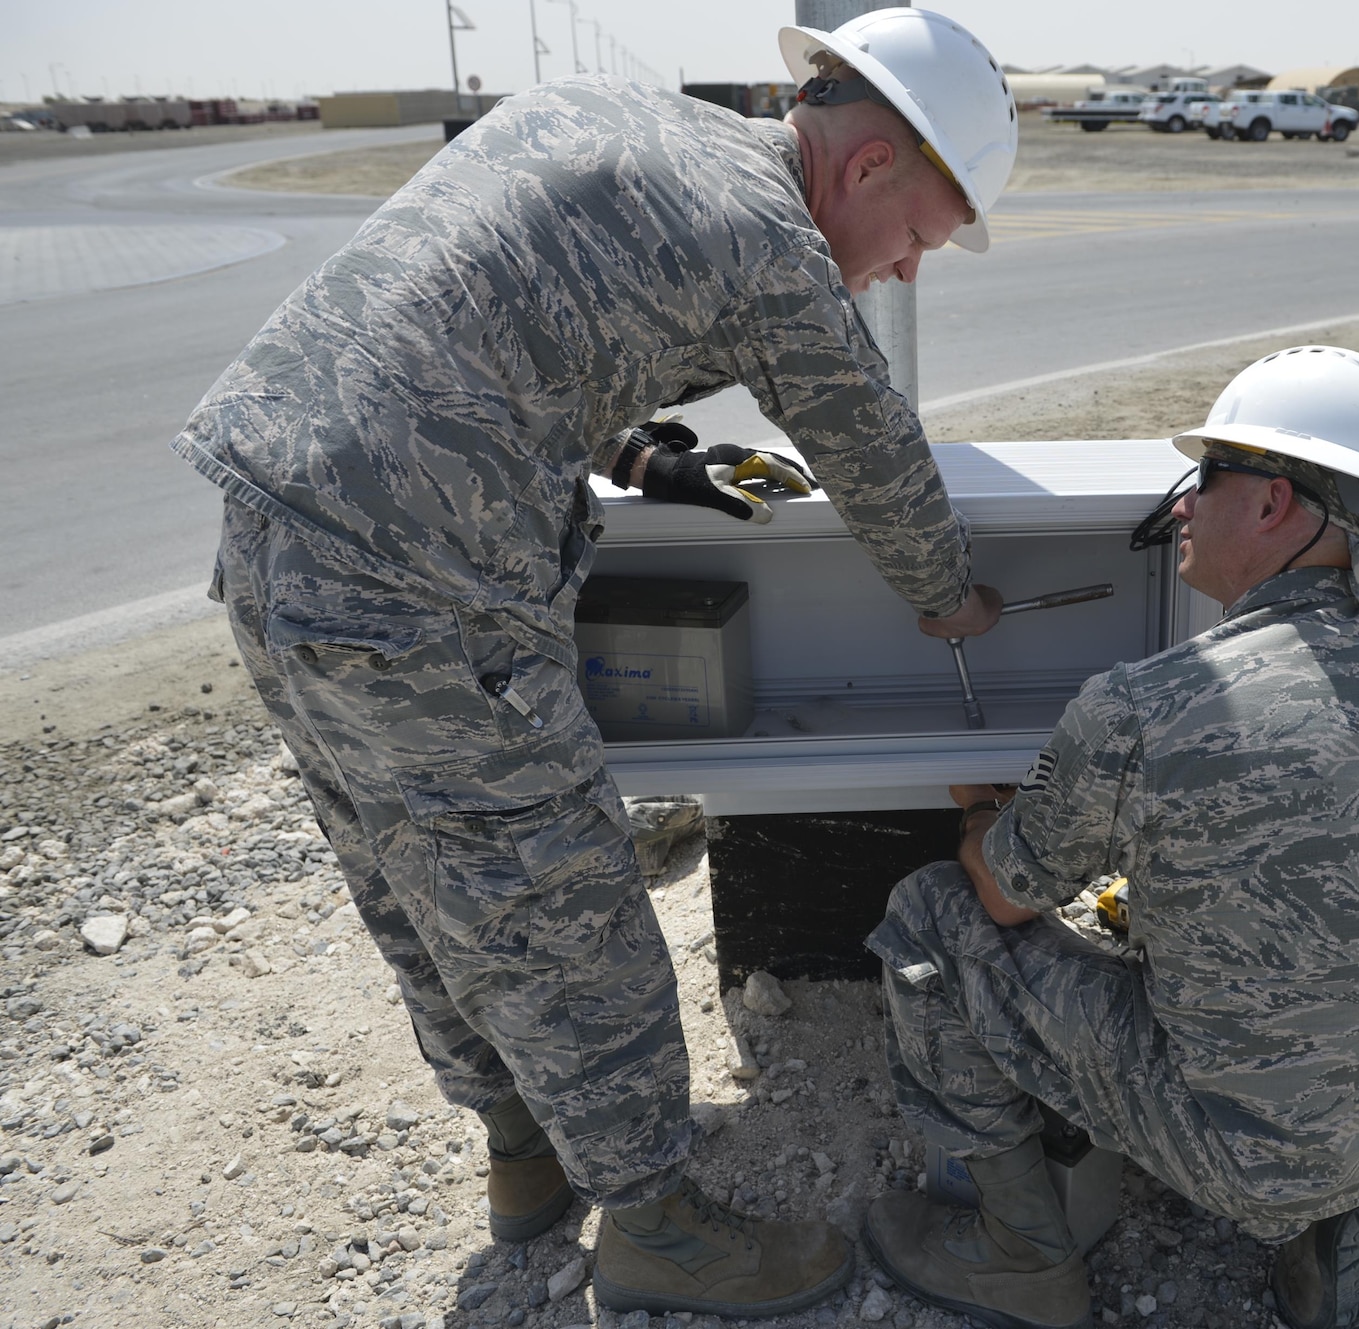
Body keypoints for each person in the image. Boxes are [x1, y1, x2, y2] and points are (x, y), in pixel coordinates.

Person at [169, 8, 1017, 1319]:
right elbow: (875, 455)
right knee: (559, 897)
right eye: (918, 240)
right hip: (415, 571)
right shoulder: (772, 241)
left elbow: (506, 311)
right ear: (865, 171)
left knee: (414, 869)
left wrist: (636, 456)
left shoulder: (614, 118)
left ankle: (525, 1162)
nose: (903, 274)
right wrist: (954, 598)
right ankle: (660, 1219)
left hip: (274, 518)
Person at [863, 347, 1359, 1329]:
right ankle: (1337, 1229)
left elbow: (1000, 895)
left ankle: (1014, 1251)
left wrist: (983, 812)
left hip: (1240, 1159)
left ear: (1273, 503)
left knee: (930, 918)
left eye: (1204, 479)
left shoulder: (1152, 707)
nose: (1184, 507)